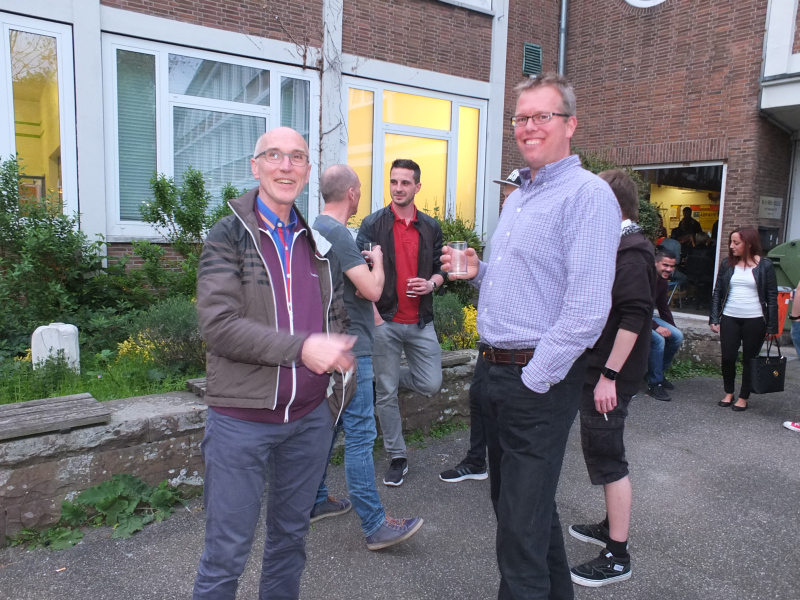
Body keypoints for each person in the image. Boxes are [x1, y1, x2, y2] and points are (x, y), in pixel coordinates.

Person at [442, 72, 620, 600]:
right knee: (523, 512)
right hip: (495, 371)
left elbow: (587, 310)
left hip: (535, 379)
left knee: (518, 533)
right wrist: (480, 272)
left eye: (543, 115)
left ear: (570, 124)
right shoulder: (519, 195)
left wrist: (535, 377)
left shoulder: (588, 196)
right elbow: (529, 283)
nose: (529, 127)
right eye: (521, 118)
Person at [193, 127, 356, 600]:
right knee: (225, 554)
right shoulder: (227, 235)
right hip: (240, 422)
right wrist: (303, 348)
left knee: (290, 542)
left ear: (307, 171)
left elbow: (337, 316)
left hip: (308, 422)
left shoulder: (317, 243)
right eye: (274, 156)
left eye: (297, 157)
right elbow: (219, 326)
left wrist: (340, 369)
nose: (286, 166)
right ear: (255, 166)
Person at [311, 164, 423, 549]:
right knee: (360, 434)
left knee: (330, 427)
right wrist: (377, 259)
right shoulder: (339, 234)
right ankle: (375, 524)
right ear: (352, 193)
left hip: (327, 344)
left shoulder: (314, 229)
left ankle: (315, 499)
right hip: (352, 348)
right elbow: (373, 290)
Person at [569, 169, 656, 588]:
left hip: (609, 376)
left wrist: (609, 376)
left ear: (611, 205)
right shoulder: (620, 246)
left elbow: (636, 315)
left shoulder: (632, 253)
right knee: (603, 451)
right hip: (602, 370)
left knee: (608, 457)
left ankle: (617, 556)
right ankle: (609, 526)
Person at [356, 159, 444, 487]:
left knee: (431, 383)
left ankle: (386, 380)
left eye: (405, 182)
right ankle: (397, 456)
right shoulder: (372, 224)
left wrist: (432, 284)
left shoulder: (430, 226)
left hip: (420, 321)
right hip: (385, 321)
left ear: (417, 187)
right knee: (387, 393)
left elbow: (441, 268)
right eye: (394, 181)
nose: (398, 188)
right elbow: (358, 273)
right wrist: (376, 317)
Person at [709, 227, 779, 411]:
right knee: (728, 357)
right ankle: (729, 392)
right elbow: (718, 292)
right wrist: (714, 317)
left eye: (736, 243)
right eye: (731, 242)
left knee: (749, 359)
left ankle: (743, 397)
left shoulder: (765, 266)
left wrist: (772, 327)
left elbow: (772, 297)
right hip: (729, 317)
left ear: (748, 244)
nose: (731, 246)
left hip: (755, 319)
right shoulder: (727, 264)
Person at [646, 246, 684, 402]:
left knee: (677, 336)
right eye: (665, 265)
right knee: (658, 340)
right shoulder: (644, 278)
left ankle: (657, 374)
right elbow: (639, 309)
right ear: (656, 262)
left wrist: (671, 327)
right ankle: (654, 384)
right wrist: (657, 327)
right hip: (636, 317)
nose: (669, 269)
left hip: (648, 316)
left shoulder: (662, 281)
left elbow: (663, 307)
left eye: (672, 266)